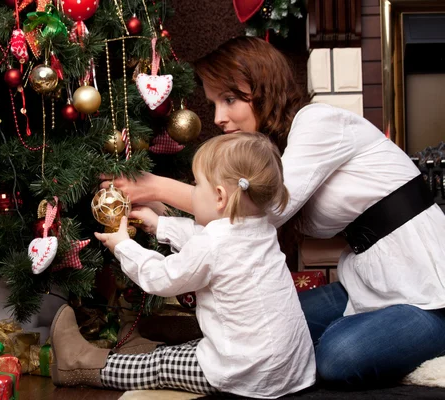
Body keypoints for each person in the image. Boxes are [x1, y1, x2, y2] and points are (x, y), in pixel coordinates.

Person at [100, 36, 445, 386]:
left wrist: (157, 186)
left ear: (263, 87)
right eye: (214, 103)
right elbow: (236, 235)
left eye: (229, 99)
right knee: (275, 335)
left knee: (337, 357)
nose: (218, 117)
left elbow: (267, 210)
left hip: (427, 287)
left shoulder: (318, 122)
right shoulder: (272, 155)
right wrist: (161, 218)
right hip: (368, 282)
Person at [49, 133, 316, 398]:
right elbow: (208, 240)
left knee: (160, 365)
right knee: (192, 348)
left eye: (197, 184)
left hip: (249, 373)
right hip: (291, 368)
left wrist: (123, 246)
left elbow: (161, 277)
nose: (192, 189)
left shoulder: (214, 244)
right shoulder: (260, 229)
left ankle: (80, 364)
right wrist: (159, 225)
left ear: (220, 197)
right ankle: (134, 343)